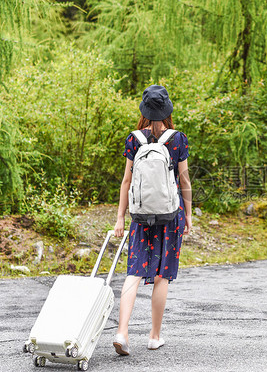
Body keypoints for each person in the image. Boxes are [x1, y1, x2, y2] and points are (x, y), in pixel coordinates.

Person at [112, 85, 192, 355]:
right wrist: (189, 215)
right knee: (161, 277)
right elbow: (184, 181)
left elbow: (126, 181)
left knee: (134, 272)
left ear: (144, 111)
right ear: (167, 110)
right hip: (170, 216)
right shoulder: (178, 139)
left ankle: (122, 332)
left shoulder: (134, 139)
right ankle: (154, 336)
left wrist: (120, 218)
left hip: (141, 214)